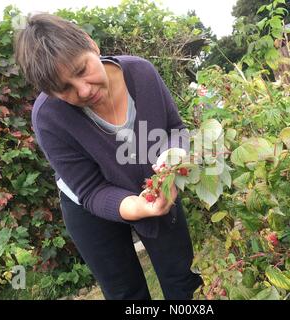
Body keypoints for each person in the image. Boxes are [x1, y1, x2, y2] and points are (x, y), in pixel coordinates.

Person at [14, 13, 203, 300]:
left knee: (181, 276)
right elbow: (91, 190)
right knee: (125, 293)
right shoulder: (48, 118)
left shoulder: (142, 74)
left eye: (81, 70)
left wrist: (174, 155)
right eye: (65, 88)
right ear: (49, 92)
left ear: (91, 45)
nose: (84, 90)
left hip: (152, 186)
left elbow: (175, 129)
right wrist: (134, 207)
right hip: (89, 205)